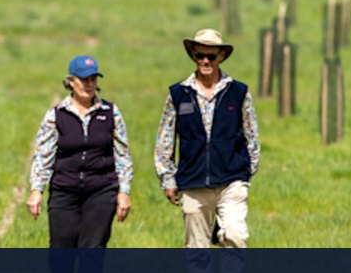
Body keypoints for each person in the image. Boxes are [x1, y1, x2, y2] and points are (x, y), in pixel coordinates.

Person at [154, 29, 260, 249]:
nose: (205, 61)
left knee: (235, 236)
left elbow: (251, 134)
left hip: (232, 178)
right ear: (193, 55)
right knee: (196, 248)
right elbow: (166, 137)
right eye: (200, 55)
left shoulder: (238, 92)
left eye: (211, 56)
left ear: (221, 56)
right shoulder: (178, 94)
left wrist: (248, 169)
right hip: (193, 179)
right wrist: (167, 178)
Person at [27, 55, 134, 248]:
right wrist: (37, 190)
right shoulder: (57, 114)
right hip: (64, 190)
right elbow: (43, 156)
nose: (89, 84)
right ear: (70, 81)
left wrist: (124, 192)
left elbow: (122, 155)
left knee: (93, 250)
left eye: (93, 79)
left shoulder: (110, 112)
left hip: (101, 190)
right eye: (84, 79)